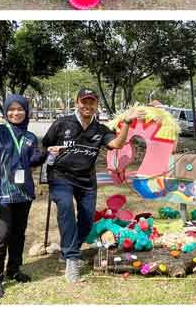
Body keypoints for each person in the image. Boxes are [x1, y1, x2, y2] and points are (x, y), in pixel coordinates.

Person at [42, 88, 145, 283]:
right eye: (84, 101)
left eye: (91, 102)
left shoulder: (99, 128)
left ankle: (68, 250)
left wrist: (128, 123)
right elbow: (44, 145)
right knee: (65, 209)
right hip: (60, 176)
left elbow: (116, 144)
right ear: (76, 102)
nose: (87, 106)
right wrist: (49, 154)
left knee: (87, 220)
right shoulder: (61, 123)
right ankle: (72, 258)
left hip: (86, 179)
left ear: (96, 105)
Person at [0, 95, 46, 299]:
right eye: (11, 109)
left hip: (23, 193)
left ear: (26, 112)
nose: (16, 113)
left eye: (20, 109)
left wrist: (46, 154)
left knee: (19, 233)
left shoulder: (29, 136)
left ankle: (14, 269)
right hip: (1, 194)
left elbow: (31, 161)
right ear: (5, 112)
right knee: (1, 235)